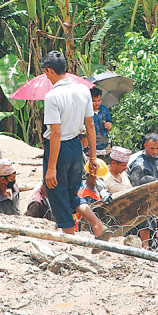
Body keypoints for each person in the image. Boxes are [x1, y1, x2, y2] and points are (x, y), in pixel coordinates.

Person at [39, 50, 107, 238]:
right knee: (72, 195)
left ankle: (69, 240)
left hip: (59, 150)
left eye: (46, 73)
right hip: (77, 147)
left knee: (57, 194)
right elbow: (90, 124)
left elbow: (55, 132)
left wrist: (51, 167)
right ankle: (97, 224)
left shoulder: (52, 96)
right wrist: (93, 156)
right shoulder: (83, 90)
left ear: (50, 71)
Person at [129, 133, 158, 250]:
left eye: (157, 148)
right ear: (145, 145)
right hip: (145, 210)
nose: (155, 151)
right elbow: (136, 193)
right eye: (152, 148)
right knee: (148, 241)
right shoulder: (139, 166)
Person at [91, 87, 112, 156]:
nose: (97, 103)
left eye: (99, 100)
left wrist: (109, 125)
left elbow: (109, 122)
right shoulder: (86, 113)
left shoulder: (104, 109)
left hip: (105, 145)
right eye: (94, 101)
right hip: (92, 148)